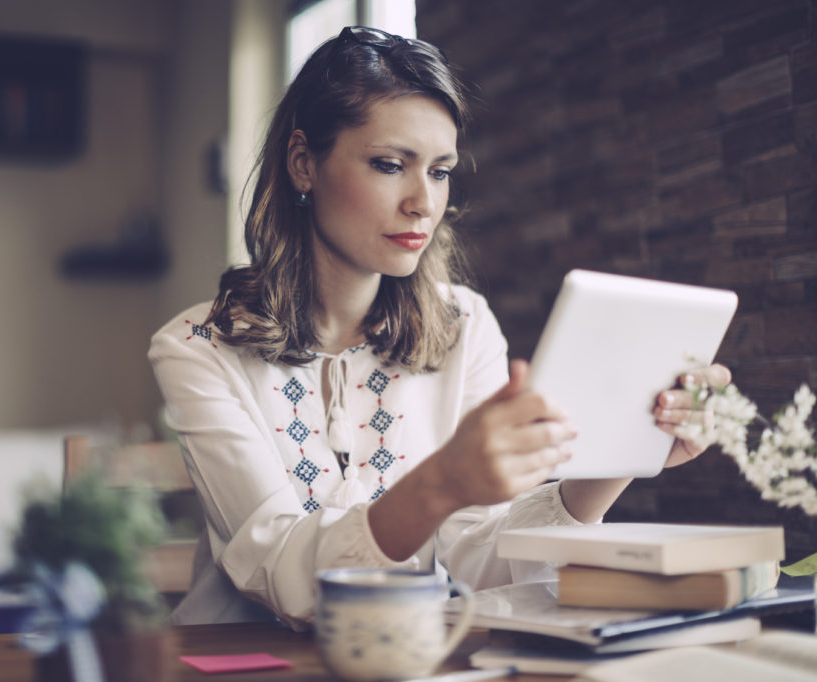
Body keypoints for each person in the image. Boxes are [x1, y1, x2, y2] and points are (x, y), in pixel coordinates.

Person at [148, 26, 730, 630]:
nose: (423, 201)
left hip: (413, 662)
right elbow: (282, 574)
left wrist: (629, 452)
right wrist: (441, 482)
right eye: (390, 164)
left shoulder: (465, 324)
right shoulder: (196, 348)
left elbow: (481, 558)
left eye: (441, 171)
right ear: (303, 163)